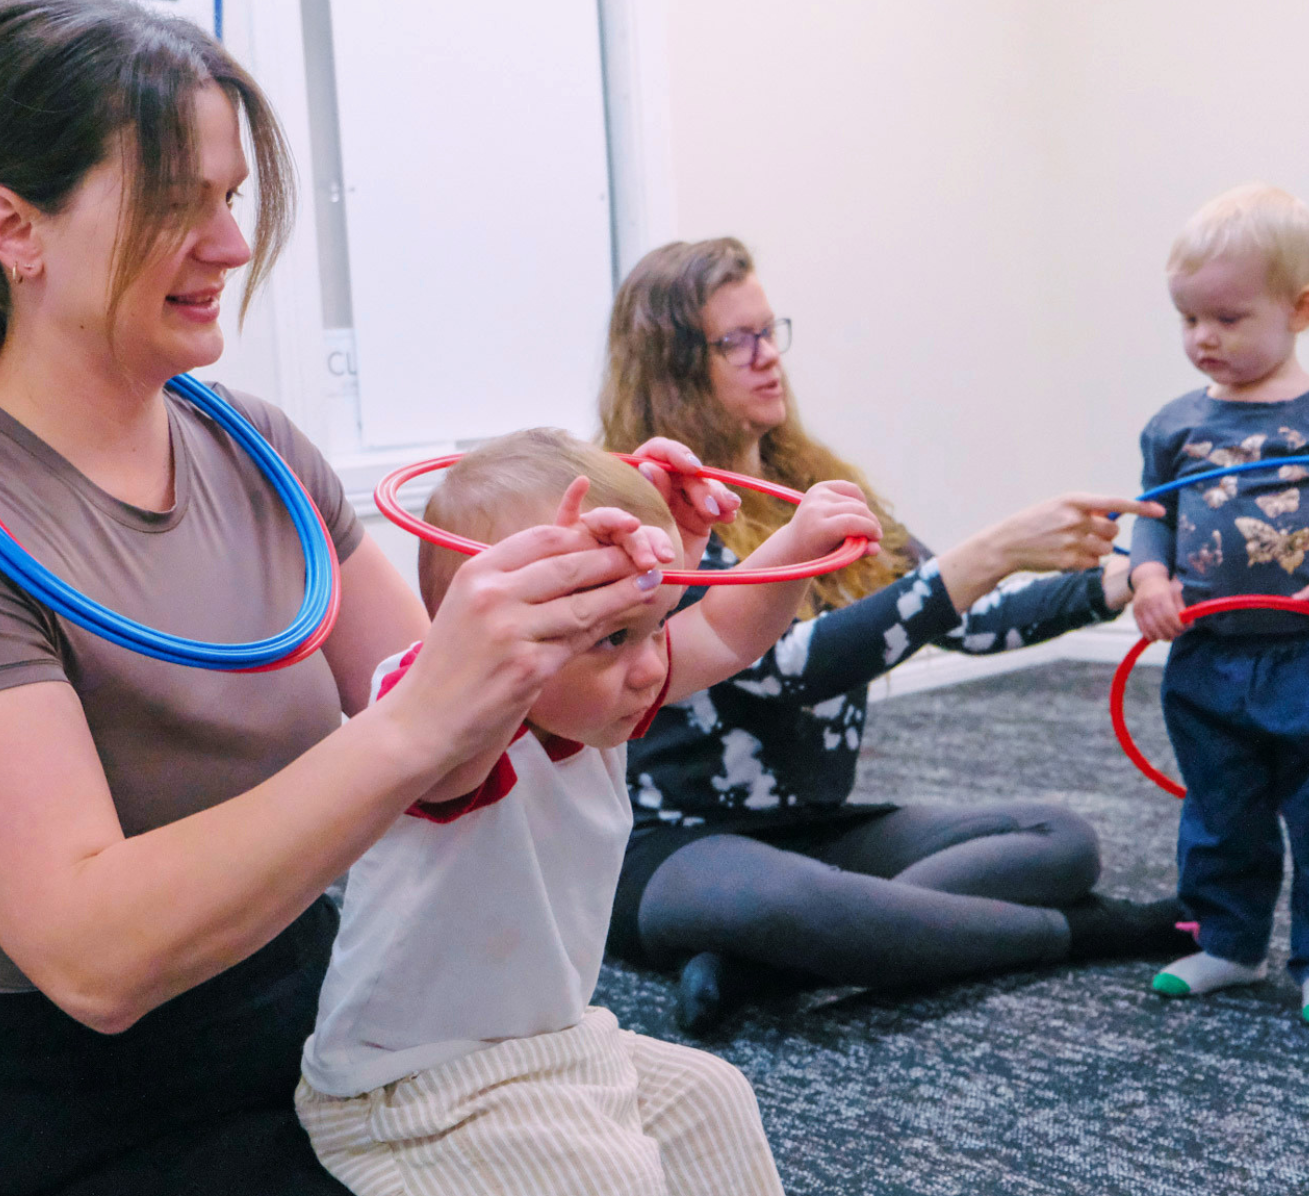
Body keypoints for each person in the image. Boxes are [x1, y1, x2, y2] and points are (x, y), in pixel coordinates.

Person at [0, 5, 706, 1193]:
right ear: (15, 226)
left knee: (702, 1109)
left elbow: (456, 756)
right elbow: (92, 956)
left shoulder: (263, 452)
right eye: (177, 201)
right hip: (101, 1099)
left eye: (230, 198)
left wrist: (617, 587)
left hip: (326, 1012)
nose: (227, 245)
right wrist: (421, 715)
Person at [598, 236, 1195, 1032]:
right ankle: (1086, 933)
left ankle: (772, 958)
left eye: (768, 330)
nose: (766, 356)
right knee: (783, 900)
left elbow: (965, 619)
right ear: (671, 365)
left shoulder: (816, 483)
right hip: (679, 847)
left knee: (1059, 839)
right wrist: (989, 551)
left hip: (813, 830)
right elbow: (786, 668)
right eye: (733, 341)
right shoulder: (658, 513)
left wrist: (1116, 584)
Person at [294, 428, 881, 1196]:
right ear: (499, 635)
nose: (648, 668)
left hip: (550, 1041)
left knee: (711, 1096)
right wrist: (529, 625)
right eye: (608, 638)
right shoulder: (440, 714)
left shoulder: (593, 701)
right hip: (410, 1088)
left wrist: (796, 543)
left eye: (650, 629)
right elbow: (468, 711)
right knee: (610, 1176)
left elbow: (720, 631)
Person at [1129, 183, 1309, 1017]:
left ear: (1298, 309)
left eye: (1226, 319)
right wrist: (1149, 578)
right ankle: (1228, 943)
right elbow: (1152, 522)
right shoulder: (1174, 426)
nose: (1201, 339)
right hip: (1206, 659)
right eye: (1187, 320)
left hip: (1301, 658)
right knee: (1218, 813)